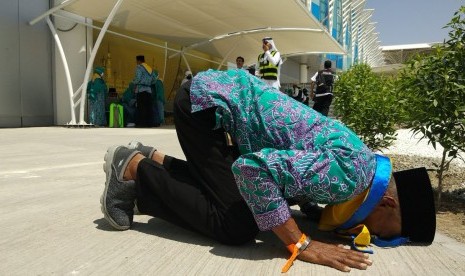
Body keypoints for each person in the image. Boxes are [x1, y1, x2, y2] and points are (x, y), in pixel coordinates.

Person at [99, 69, 436, 273]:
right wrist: (300, 243)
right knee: (236, 223)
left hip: (216, 97)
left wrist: (313, 216)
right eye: (386, 233)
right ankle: (133, 168)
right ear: (388, 204)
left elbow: (296, 176)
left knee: (237, 196)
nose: (374, 237)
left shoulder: (359, 168)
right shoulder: (349, 177)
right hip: (207, 105)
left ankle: (154, 159)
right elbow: (252, 170)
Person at [133, 55, 155, 127]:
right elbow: (154, 80)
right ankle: (149, 124)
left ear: (139, 61)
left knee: (141, 108)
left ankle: (142, 124)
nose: (136, 62)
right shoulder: (150, 69)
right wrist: (149, 83)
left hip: (141, 90)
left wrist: (134, 82)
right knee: (148, 108)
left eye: (136, 61)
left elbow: (138, 78)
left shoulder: (139, 67)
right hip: (149, 90)